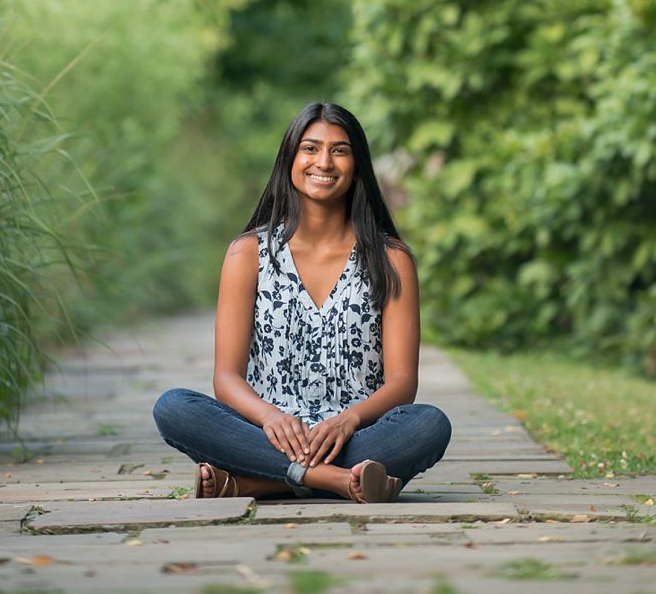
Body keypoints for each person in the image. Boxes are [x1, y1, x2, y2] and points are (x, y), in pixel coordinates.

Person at [153, 101, 451, 503]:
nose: (323, 162)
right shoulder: (248, 254)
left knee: (429, 424)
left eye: (339, 150)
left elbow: (402, 383)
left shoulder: (391, 259)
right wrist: (271, 417)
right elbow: (226, 378)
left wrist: (348, 420)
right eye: (310, 148)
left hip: (356, 434)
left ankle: (257, 482)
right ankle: (338, 481)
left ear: (357, 163)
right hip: (266, 432)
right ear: (290, 159)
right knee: (173, 408)